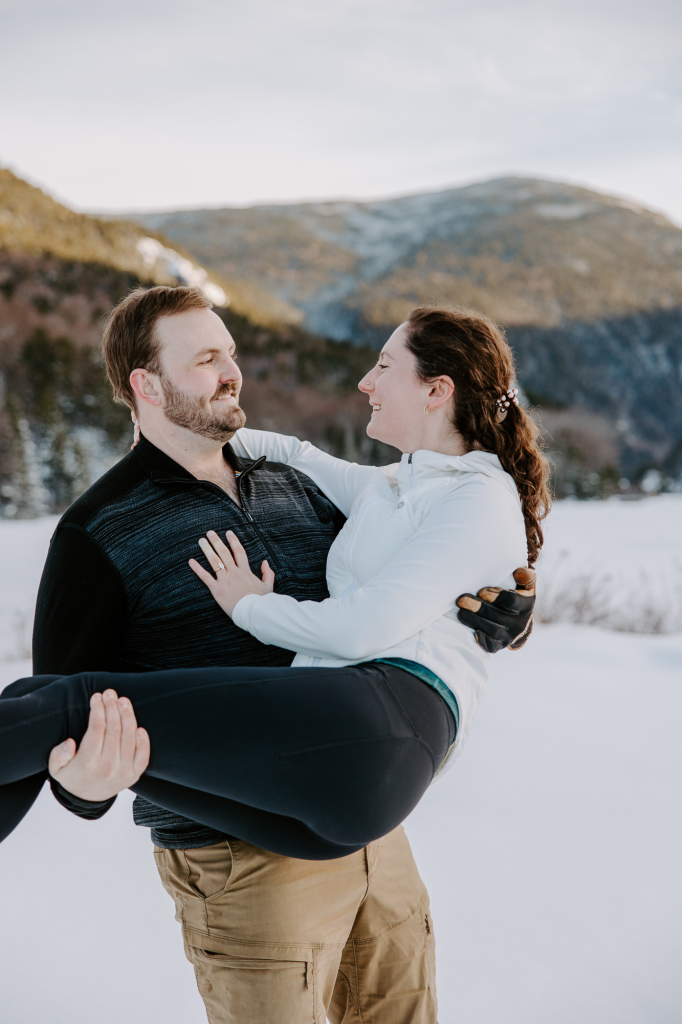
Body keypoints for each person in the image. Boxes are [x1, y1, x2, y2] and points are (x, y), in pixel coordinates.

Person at [1, 288, 538, 1023]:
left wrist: (503, 611)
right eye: (206, 359)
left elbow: (408, 578)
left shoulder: (299, 486)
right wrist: (84, 786)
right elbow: (63, 716)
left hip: (373, 840)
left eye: (230, 352)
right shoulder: (98, 532)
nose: (233, 372)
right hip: (240, 867)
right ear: (146, 385)